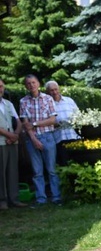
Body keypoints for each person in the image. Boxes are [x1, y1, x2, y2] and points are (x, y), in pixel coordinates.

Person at [19, 74, 62, 206]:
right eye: (28, 83)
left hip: (48, 136)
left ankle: (56, 197)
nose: (31, 85)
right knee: (37, 171)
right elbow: (26, 124)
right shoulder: (23, 101)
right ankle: (41, 199)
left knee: (51, 169)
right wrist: (33, 139)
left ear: (38, 84)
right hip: (31, 140)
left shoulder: (48, 99)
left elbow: (52, 119)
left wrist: (36, 124)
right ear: (26, 86)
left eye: (33, 82)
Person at [0, 79, 27, 209]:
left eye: (1, 86)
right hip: (1, 142)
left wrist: (15, 135)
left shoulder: (8, 103)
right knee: (1, 173)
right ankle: (2, 201)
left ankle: (14, 199)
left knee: (13, 171)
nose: (0, 89)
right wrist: (11, 136)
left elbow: (18, 120)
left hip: (12, 142)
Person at [45, 80, 80, 167]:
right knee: (64, 164)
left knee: (77, 163)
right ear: (47, 92)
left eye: (56, 89)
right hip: (59, 139)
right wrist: (55, 124)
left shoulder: (69, 101)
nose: (54, 92)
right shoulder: (46, 104)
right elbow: (45, 123)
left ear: (59, 89)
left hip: (74, 136)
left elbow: (79, 116)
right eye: (51, 90)